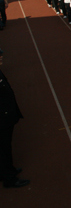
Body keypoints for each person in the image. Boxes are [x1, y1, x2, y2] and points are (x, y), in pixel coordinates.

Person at [0, 49, 29, 188]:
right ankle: (9, 179)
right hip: (2, 119)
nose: (1, 58)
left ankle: (8, 170)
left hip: (6, 116)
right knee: (3, 148)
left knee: (6, 146)